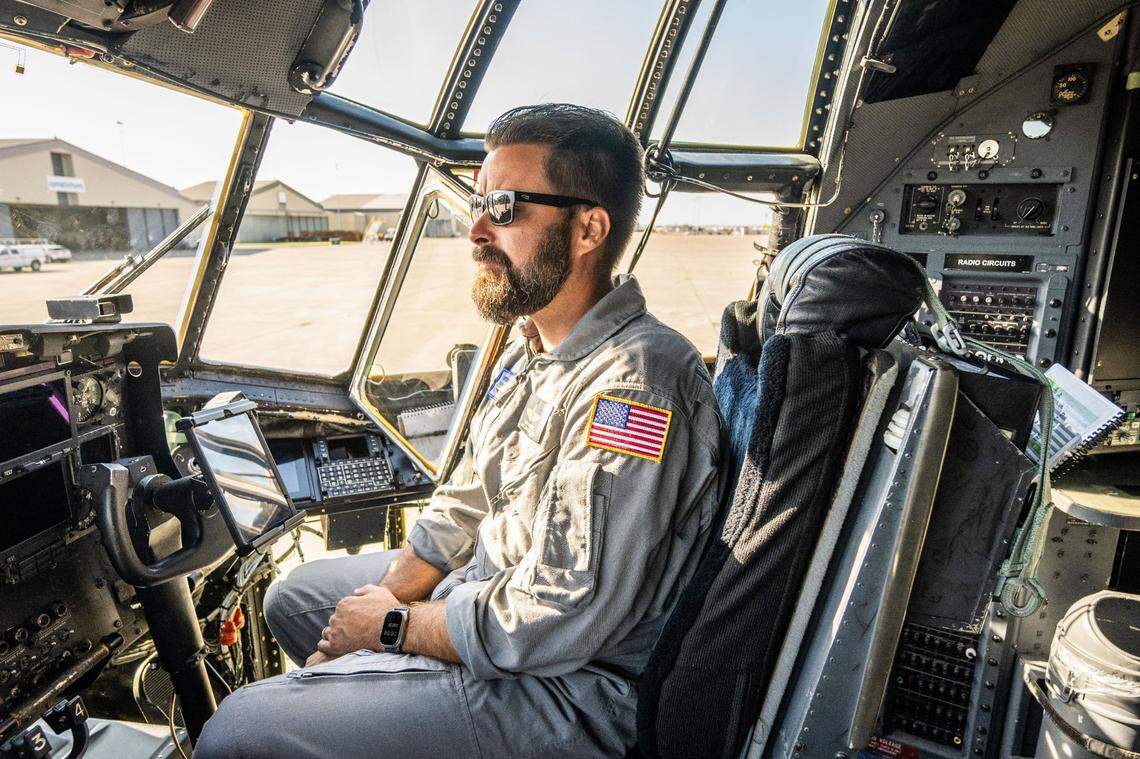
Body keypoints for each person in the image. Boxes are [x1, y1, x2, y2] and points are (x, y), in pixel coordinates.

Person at [194, 104, 723, 758]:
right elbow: (466, 500)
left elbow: (564, 613)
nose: (475, 229)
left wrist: (391, 626)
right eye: (477, 204)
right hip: (493, 595)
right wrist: (391, 594)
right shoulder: (536, 350)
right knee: (291, 597)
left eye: (503, 207)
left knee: (234, 735)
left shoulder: (635, 385)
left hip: (571, 685)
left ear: (588, 229)